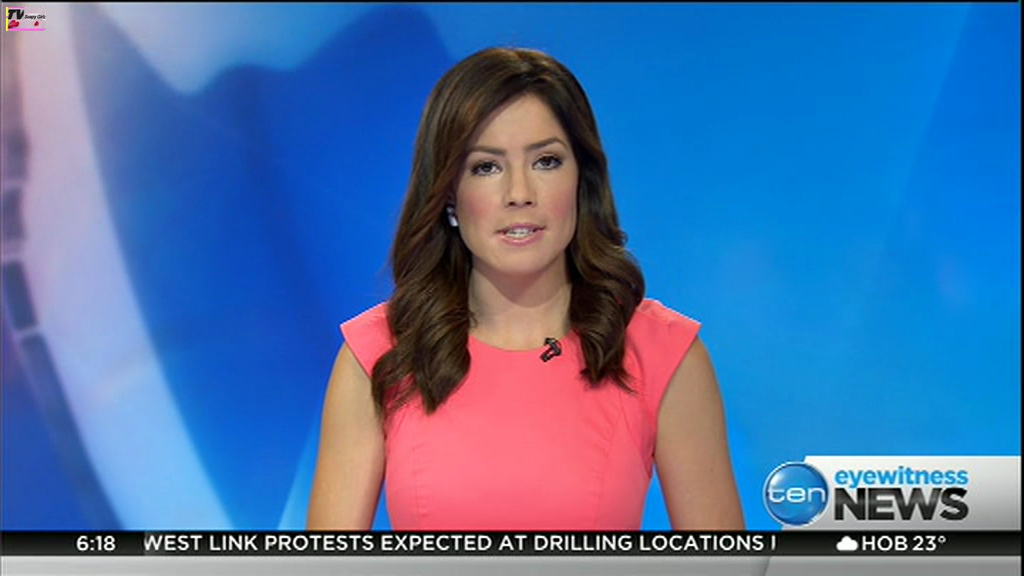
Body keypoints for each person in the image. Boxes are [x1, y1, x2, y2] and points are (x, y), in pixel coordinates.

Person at [307, 47, 744, 531]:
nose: (519, 193)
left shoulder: (661, 353)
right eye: (486, 167)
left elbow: (724, 561)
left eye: (546, 161)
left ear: (582, 180)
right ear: (448, 193)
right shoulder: (379, 356)